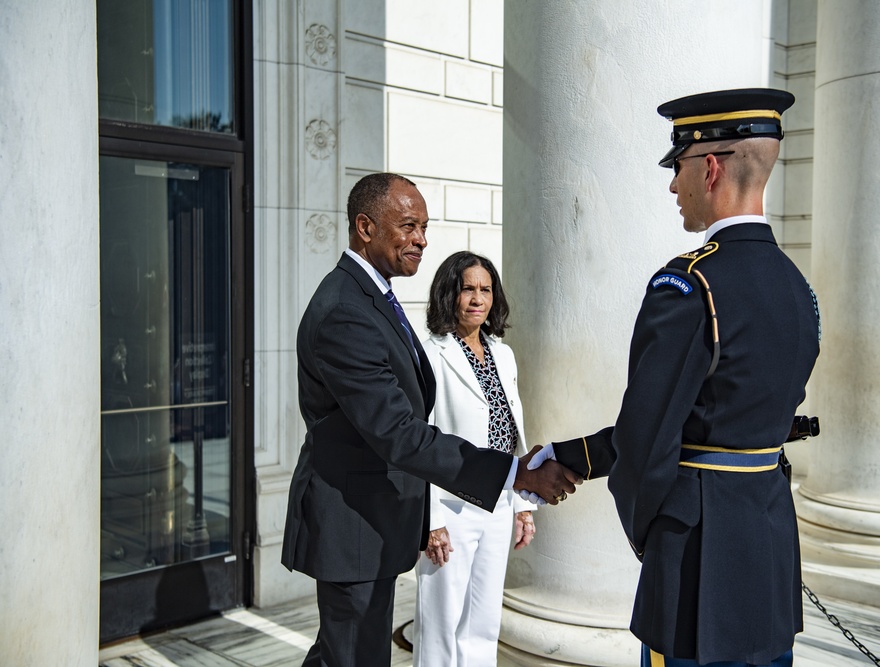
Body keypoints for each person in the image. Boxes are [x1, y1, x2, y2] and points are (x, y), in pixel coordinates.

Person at [527, 89, 821, 666]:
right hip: (769, 541)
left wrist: (653, 537)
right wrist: (574, 455)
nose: (671, 186)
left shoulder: (688, 286)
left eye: (677, 167)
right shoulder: (797, 288)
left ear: (709, 168)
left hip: (698, 559)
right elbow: (721, 417)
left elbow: (648, 438)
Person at [281, 172, 580, 667]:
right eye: (408, 225)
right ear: (365, 226)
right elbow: (399, 432)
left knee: (345, 655)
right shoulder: (345, 311)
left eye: (424, 226)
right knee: (355, 656)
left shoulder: (373, 297)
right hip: (352, 525)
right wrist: (512, 472)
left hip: (374, 520)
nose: (421, 238)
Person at [412, 252, 536, 667]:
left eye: (485, 289)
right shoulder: (430, 355)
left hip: (499, 501)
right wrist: (430, 521)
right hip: (451, 506)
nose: (478, 298)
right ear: (450, 294)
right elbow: (419, 440)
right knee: (440, 627)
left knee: (483, 624)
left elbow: (514, 431)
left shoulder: (503, 354)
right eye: (468, 288)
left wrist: (521, 504)